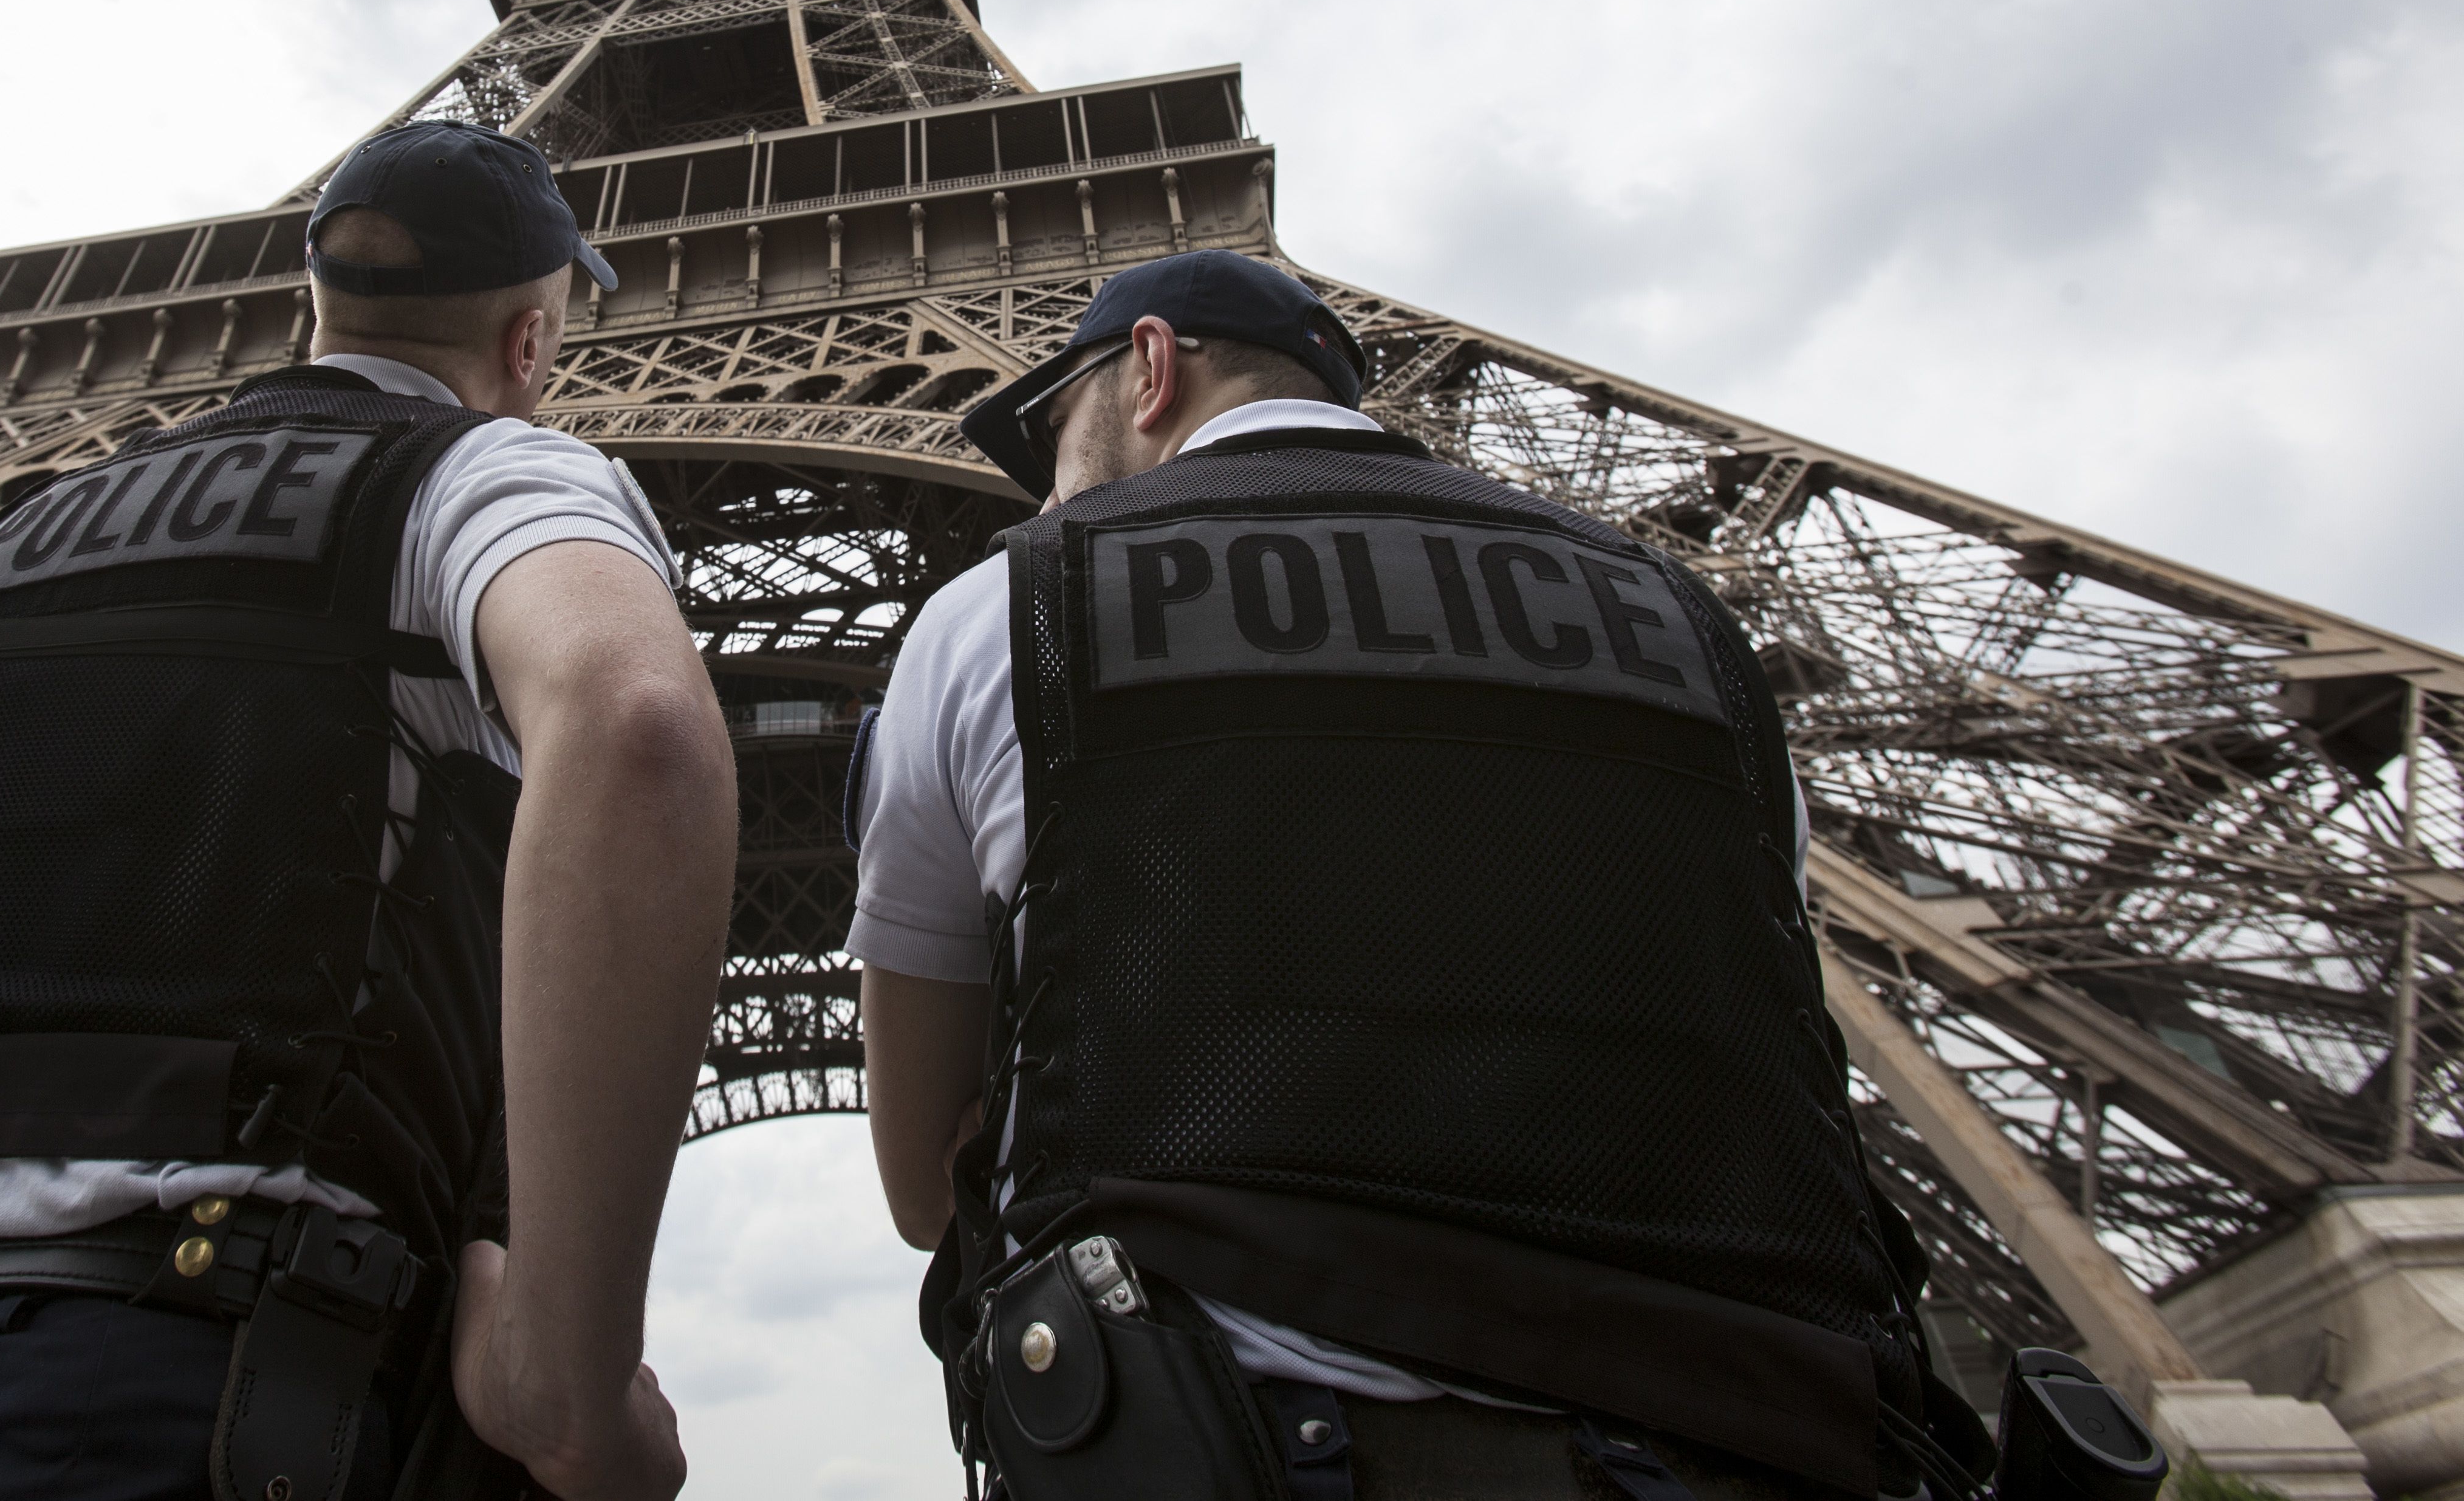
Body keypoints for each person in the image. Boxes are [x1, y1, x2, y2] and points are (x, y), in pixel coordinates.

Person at [0, 121, 737, 1501]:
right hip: (183, 1391)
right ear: (531, 340)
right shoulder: (479, 472)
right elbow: (634, 727)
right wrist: (563, 1373)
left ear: (317, 298)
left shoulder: (10, 548)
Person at [848, 250, 1984, 1501]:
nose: (1050, 482)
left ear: (1152, 368)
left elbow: (925, 1189)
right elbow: (1763, 1014)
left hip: (1251, 1439)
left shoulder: (1000, 610)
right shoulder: (1685, 626)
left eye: (1056, 429)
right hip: (1750, 1444)